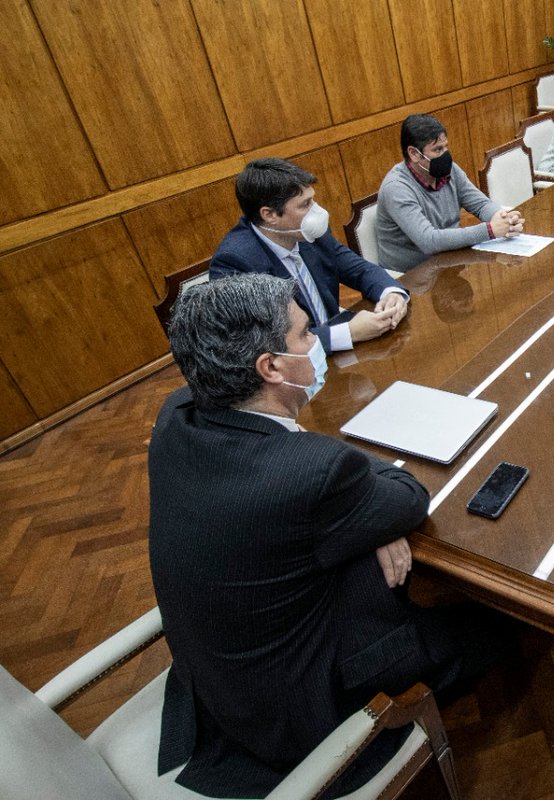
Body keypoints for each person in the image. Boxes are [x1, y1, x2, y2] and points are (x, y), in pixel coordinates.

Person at [149, 274, 510, 797]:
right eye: (304, 335)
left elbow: (291, 462)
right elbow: (407, 496)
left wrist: (356, 515)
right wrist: (367, 512)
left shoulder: (176, 415)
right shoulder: (310, 474)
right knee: (492, 627)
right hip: (296, 711)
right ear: (270, 367)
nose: (318, 339)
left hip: (216, 682)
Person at [210, 158, 408, 353]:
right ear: (269, 215)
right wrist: (347, 333)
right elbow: (270, 344)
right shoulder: (235, 263)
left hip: (338, 352)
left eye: (312, 199)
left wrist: (391, 293)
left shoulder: (311, 232)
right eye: (305, 204)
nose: (317, 211)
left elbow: (359, 269)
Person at [376, 113, 524, 272]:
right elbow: (429, 241)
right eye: (437, 150)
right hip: (412, 276)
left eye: (445, 147)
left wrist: (503, 218)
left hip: (449, 260)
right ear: (414, 154)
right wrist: (490, 230)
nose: (445, 155)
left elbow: (480, 204)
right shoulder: (396, 188)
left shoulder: (449, 170)